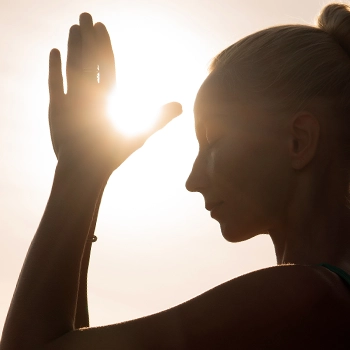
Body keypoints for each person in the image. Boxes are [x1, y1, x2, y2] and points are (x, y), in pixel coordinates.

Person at [1, 2, 350, 349]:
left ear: (298, 141)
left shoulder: (303, 297)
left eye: (213, 140)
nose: (193, 180)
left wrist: (79, 172)